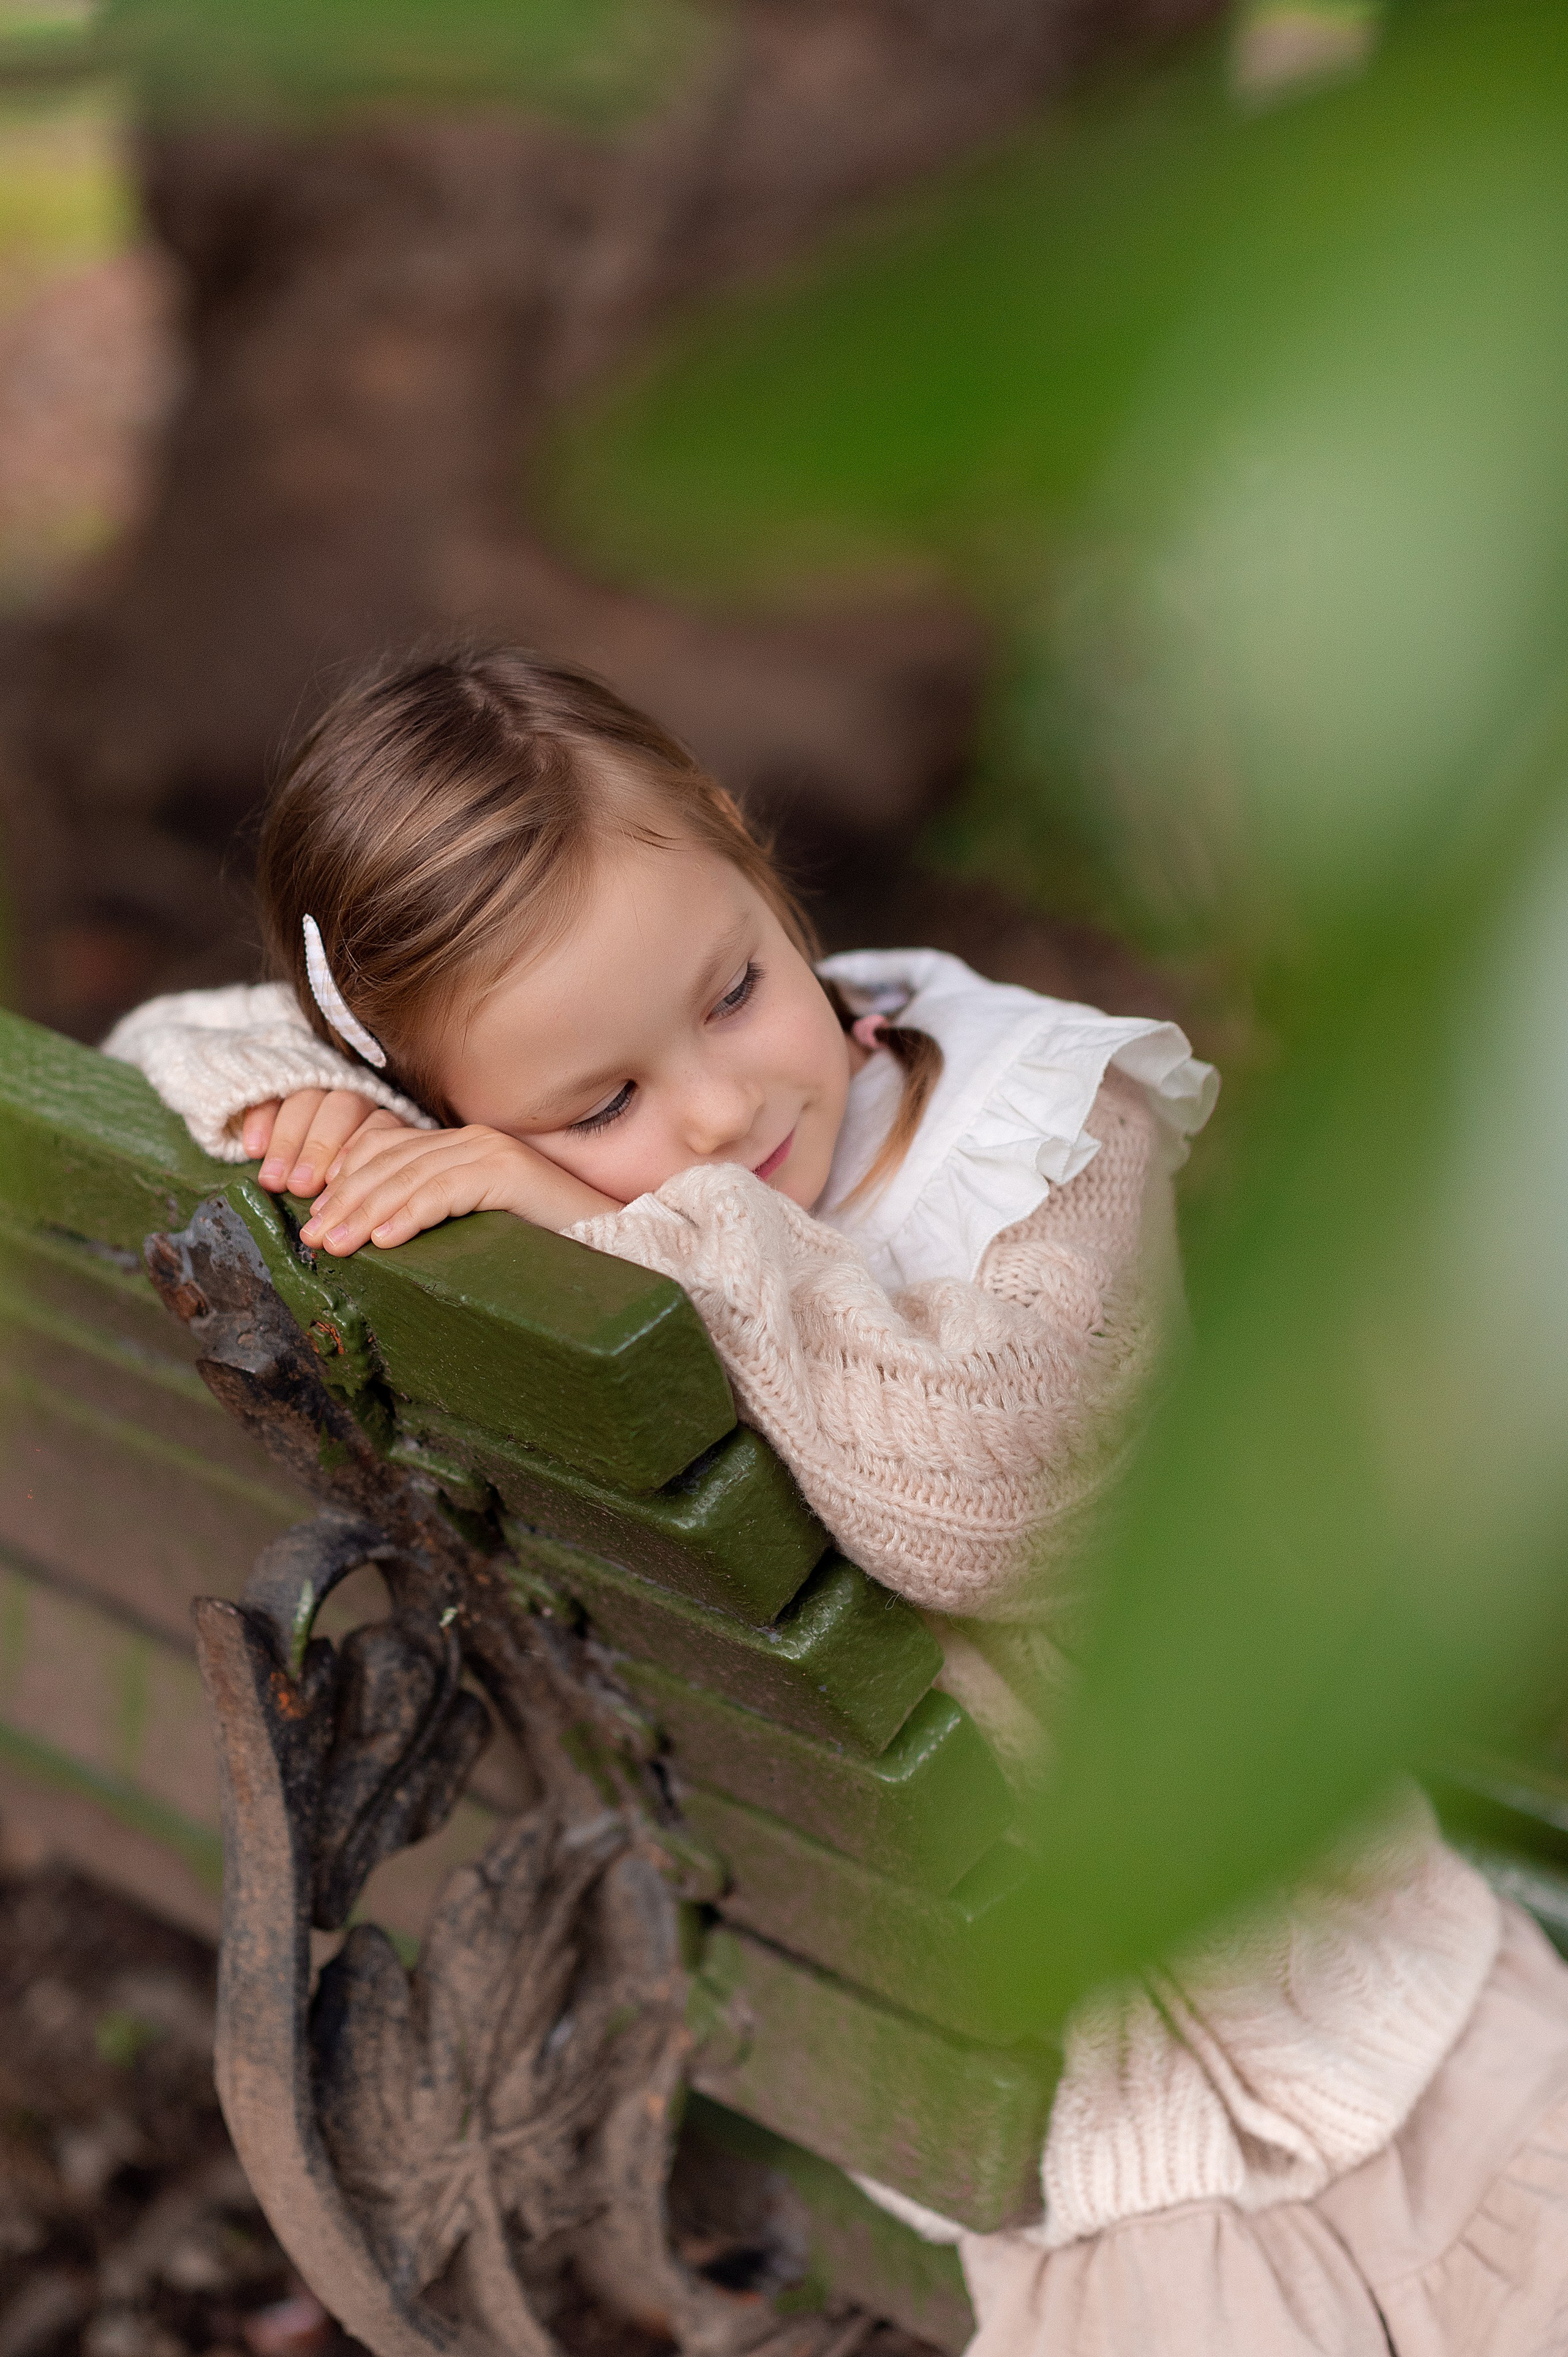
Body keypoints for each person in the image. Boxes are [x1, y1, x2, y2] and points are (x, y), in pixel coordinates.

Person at [104, 649, 1568, 2355]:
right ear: (437, 1099)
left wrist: (619, 1204)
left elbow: (982, 1506)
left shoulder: (1049, 1132)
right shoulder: (599, 1141)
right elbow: (189, 1040)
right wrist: (379, 1129)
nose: (724, 1115)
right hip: (1104, 1982)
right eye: (607, 1103)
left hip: (983, 1964)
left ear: (745, 844)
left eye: (729, 994)